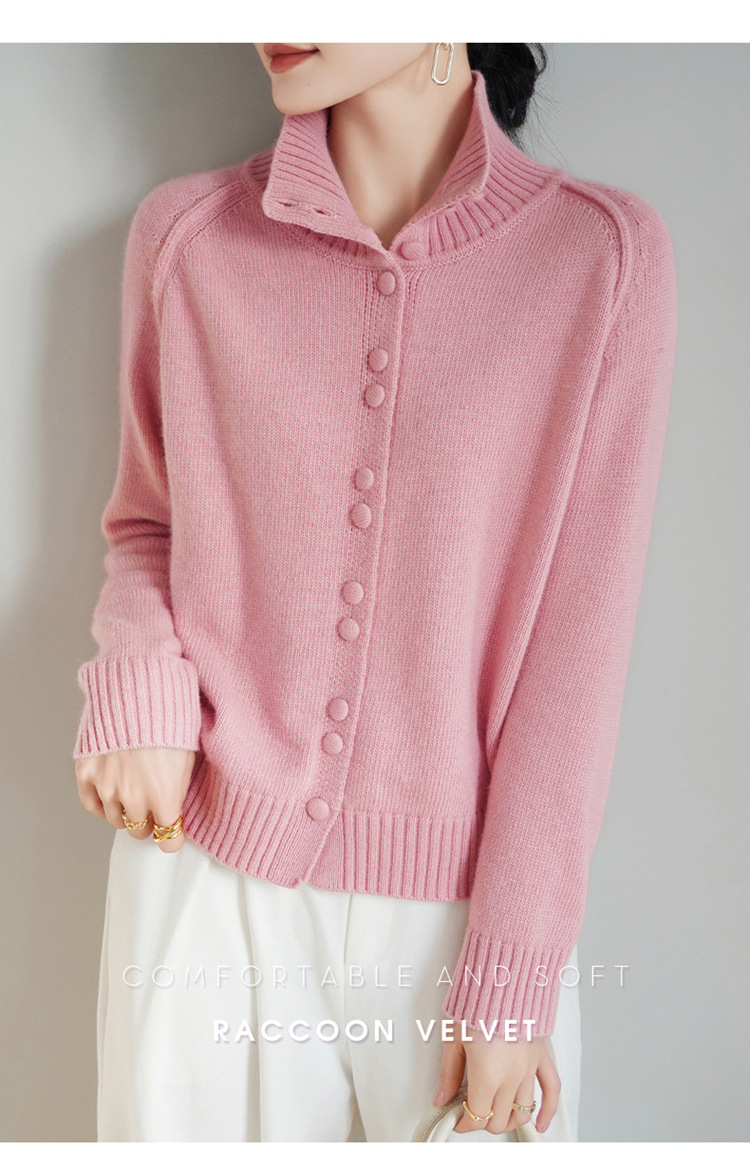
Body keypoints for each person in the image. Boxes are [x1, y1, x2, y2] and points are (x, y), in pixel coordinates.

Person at [73, 43, 678, 1142]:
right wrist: (143, 690)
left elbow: (577, 651)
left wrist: (514, 972)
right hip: (206, 874)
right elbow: (149, 524)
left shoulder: (601, 260)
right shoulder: (189, 239)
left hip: (465, 915)